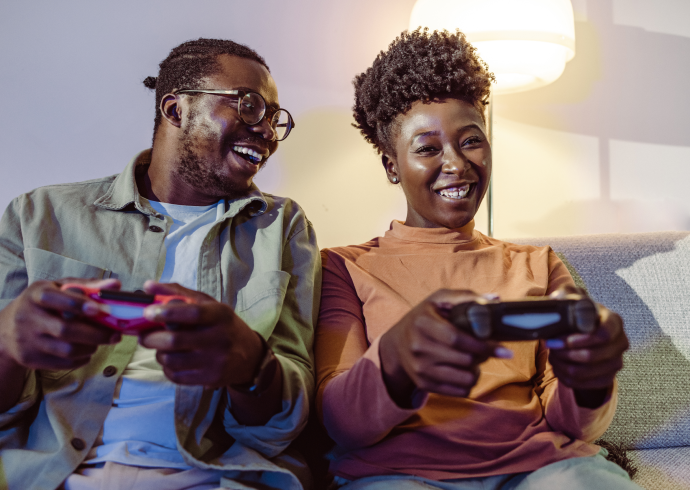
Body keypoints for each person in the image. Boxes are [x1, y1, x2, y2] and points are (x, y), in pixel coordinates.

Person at [315, 29, 640, 490]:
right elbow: (339, 423)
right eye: (427, 148)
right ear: (391, 165)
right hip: (400, 475)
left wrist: (589, 378)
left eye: (471, 141)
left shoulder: (538, 264)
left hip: (538, 468)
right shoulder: (344, 267)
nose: (456, 163)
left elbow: (575, 425)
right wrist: (396, 360)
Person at [0, 38, 320, 490]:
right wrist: (7, 344)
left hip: (217, 479)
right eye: (249, 106)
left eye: (274, 118)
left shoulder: (280, 227)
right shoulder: (39, 216)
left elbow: (282, 427)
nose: (267, 131)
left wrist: (252, 366)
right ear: (176, 109)